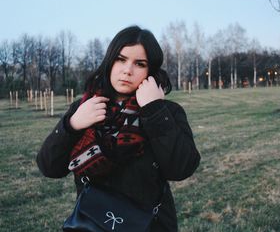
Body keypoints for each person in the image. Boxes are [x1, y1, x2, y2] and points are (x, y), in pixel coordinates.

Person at [36, 25, 201, 231]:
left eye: (139, 63)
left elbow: (181, 168)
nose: (127, 70)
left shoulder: (167, 111)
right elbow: (49, 167)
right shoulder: (85, 106)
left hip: (150, 225)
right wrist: (72, 125)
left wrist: (154, 110)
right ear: (110, 61)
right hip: (93, 223)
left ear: (151, 70)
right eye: (121, 59)